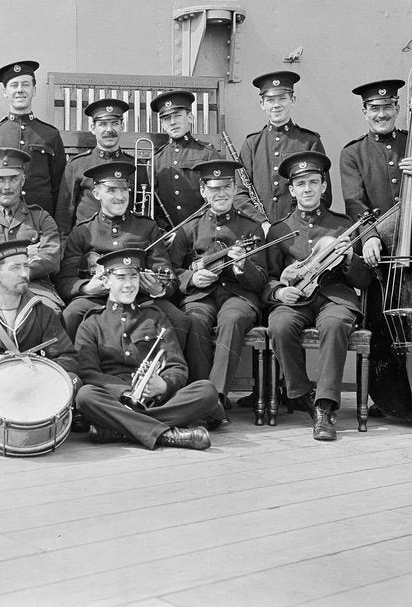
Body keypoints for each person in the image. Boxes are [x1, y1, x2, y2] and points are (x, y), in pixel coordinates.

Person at [263, 151, 373, 441]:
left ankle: (324, 408)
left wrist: (350, 257)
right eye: (301, 184)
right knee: (280, 326)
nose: (308, 189)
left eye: (314, 182)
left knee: (335, 325)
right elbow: (268, 277)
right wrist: (278, 290)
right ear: (292, 190)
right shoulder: (279, 230)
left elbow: (363, 280)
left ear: (324, 186)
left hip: (335, 297)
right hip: (297, 298)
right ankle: (300, 393)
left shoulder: (342, 225)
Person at [74, 249, 226, 450]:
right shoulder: (92, 323)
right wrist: (124, 392)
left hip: (157, 400)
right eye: (120, 278)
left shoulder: (155, 316)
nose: (128, 284)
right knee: (85, 396)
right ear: (106, 281)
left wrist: (163, 385)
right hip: (117, 402)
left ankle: (120, 429)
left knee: (207, 390)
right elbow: (88, 373)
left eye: (134, 277)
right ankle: (168, 434)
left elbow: (177, 366)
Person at [56, 162, 196, 364]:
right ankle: (74, 377)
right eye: (111, 190)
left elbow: (168, 275)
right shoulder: (82, 232)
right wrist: (86, 288)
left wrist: (158, 288)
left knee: (179, 319)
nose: (120, 197)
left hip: (140, 297)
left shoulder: (147, 227)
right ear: (96, 193)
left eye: (124, 190)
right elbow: (64, 280)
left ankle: (171, 377)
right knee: (71, 315)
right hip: (98, 298)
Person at [0, 239, 79, 423]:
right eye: (15, 268)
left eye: (26, 266)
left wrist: (37, 367)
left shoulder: (42, 311)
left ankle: (39, 426)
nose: (25, 274)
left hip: (34, 386)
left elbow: (68, 359)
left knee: (72, 379)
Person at [169, 159, 267, 403]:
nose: (220, 193)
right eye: (213, 188)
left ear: (234, 189)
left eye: (226, 187)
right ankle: (202, 393)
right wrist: (192, 278)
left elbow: (262, 278)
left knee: (232, 319)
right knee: (194, 319)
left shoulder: (251, 228)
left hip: (239, 296)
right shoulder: (188, 229)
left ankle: (214, 399)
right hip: (200, 296)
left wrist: (244, 267)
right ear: (203, 191)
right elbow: (171, 270)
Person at [339, 78, 412, 268]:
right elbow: (354, 204)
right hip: (379, 249)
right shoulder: (352, 153)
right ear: (365, 112)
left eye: (388, 107)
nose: (382, 115)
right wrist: (369, 236)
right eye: (375, 108)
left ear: (397, 109)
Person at [0, 147, 63, 311]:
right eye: (0, 179)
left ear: (22, 180)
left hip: (36, 290)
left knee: (50, 312)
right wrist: (24, 255)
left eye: (13, 179)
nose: (7, 187)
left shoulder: (41, 218)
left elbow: (51, 259)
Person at [234, 71, 331, 231]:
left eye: (282, 98)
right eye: (270, 100)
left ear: (292, 100)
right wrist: (263, 223)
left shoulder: (310, 141)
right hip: (262, 232)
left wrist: (295, 223)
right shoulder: (251, 144)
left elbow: (323, 193)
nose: (276, 105)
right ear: (262, 103)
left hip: (300, 230)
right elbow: (239, 195)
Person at [0, 60, 66, 215]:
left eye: (26, 84)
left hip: (39, 217)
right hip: (0, 219)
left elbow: (59, 186)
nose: (20, 90)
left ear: (34, 90)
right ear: (5, 92)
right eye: (14, 85)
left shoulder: (51, 135)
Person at [54, 97, 133, 235]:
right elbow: (64, 212)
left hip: (126, 239)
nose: (109, 130)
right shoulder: (77, 165)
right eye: (102, 124)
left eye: (115, 123)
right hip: (87, 241)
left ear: (122, 126)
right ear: (92, 128)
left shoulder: (135, 165)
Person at [150, 90, 221, 227]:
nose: (172, 122)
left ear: (190, 118)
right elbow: (153, 206)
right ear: (163, 125)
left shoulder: (207, 153)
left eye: (177, 116)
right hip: (168, 237)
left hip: (202, 233)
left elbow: (218, 197)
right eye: (166, 119)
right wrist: (164, 231)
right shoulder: (157, 160)